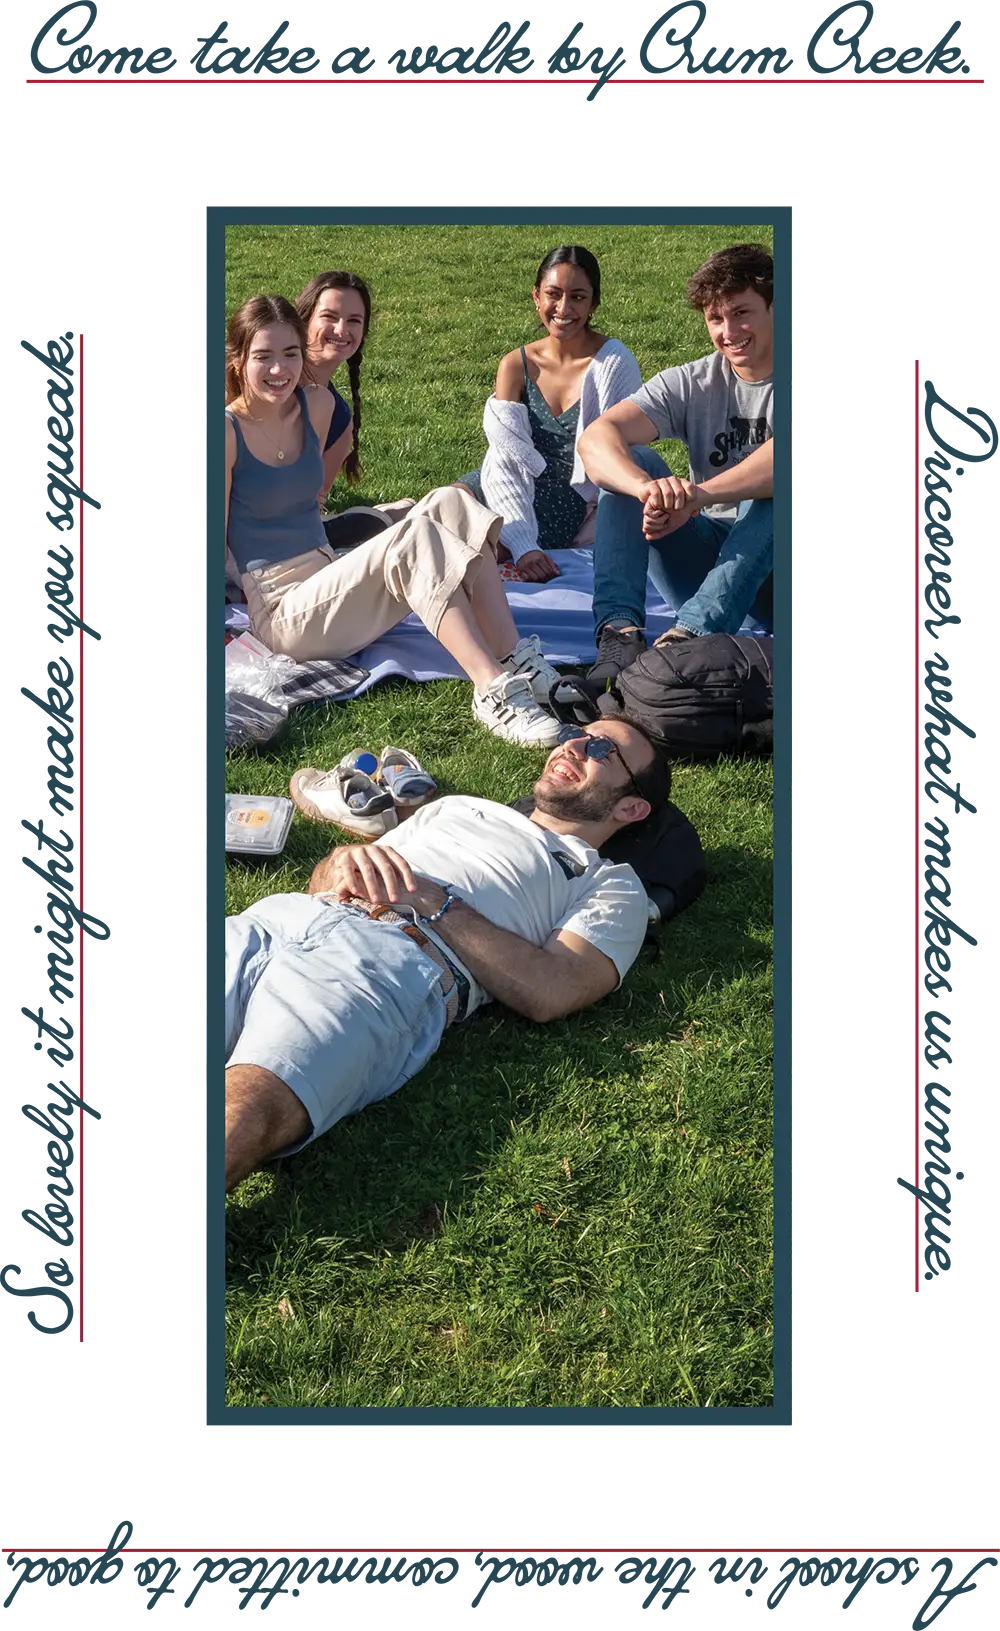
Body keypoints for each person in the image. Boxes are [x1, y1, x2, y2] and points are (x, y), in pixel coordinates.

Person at [225, 716, 672, 1191]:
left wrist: (433, 901)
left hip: (382, 970)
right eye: (574, 734)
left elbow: (553, 990)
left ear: (631, 807)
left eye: (602, 748)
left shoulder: (608, 882)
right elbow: (336, 880)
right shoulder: (457, 808)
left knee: (247, 1109)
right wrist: (338, 862)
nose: (575, 745)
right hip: (282, 919)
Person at [224, 293, 563, 745]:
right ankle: (491, 689)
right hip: (285, 616)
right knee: (416, 535)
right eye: (263, 357)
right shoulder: (222, 431)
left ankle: (512, 655)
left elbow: (313, 501)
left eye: (290, 354)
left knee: (452, 501)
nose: (279, 370)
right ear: (238, 359)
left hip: (331, 582)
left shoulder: (317, 407)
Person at [578, 242, 775, 682]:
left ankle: (687, 642)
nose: (729, 331)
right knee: (635, 462)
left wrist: (698, 495)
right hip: (707, 565)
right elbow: (595, 440)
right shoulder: (694, 381)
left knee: (774, 495)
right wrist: (646, 489)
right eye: (715, 319)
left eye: (742, 313)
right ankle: (620, 637)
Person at [456, 245, 642, 583]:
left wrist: (522, 545)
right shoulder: (515, 365)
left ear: (593, 303)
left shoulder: (613, 363)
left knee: (471, 554)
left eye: (578, 297)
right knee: (442, 507)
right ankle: (380, 522)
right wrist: (522, 542)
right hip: (507, 483)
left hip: (572, 499)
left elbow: (623, 453)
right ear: (536, 297)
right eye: (553, 294)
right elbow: (504, 461)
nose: (563, 308)